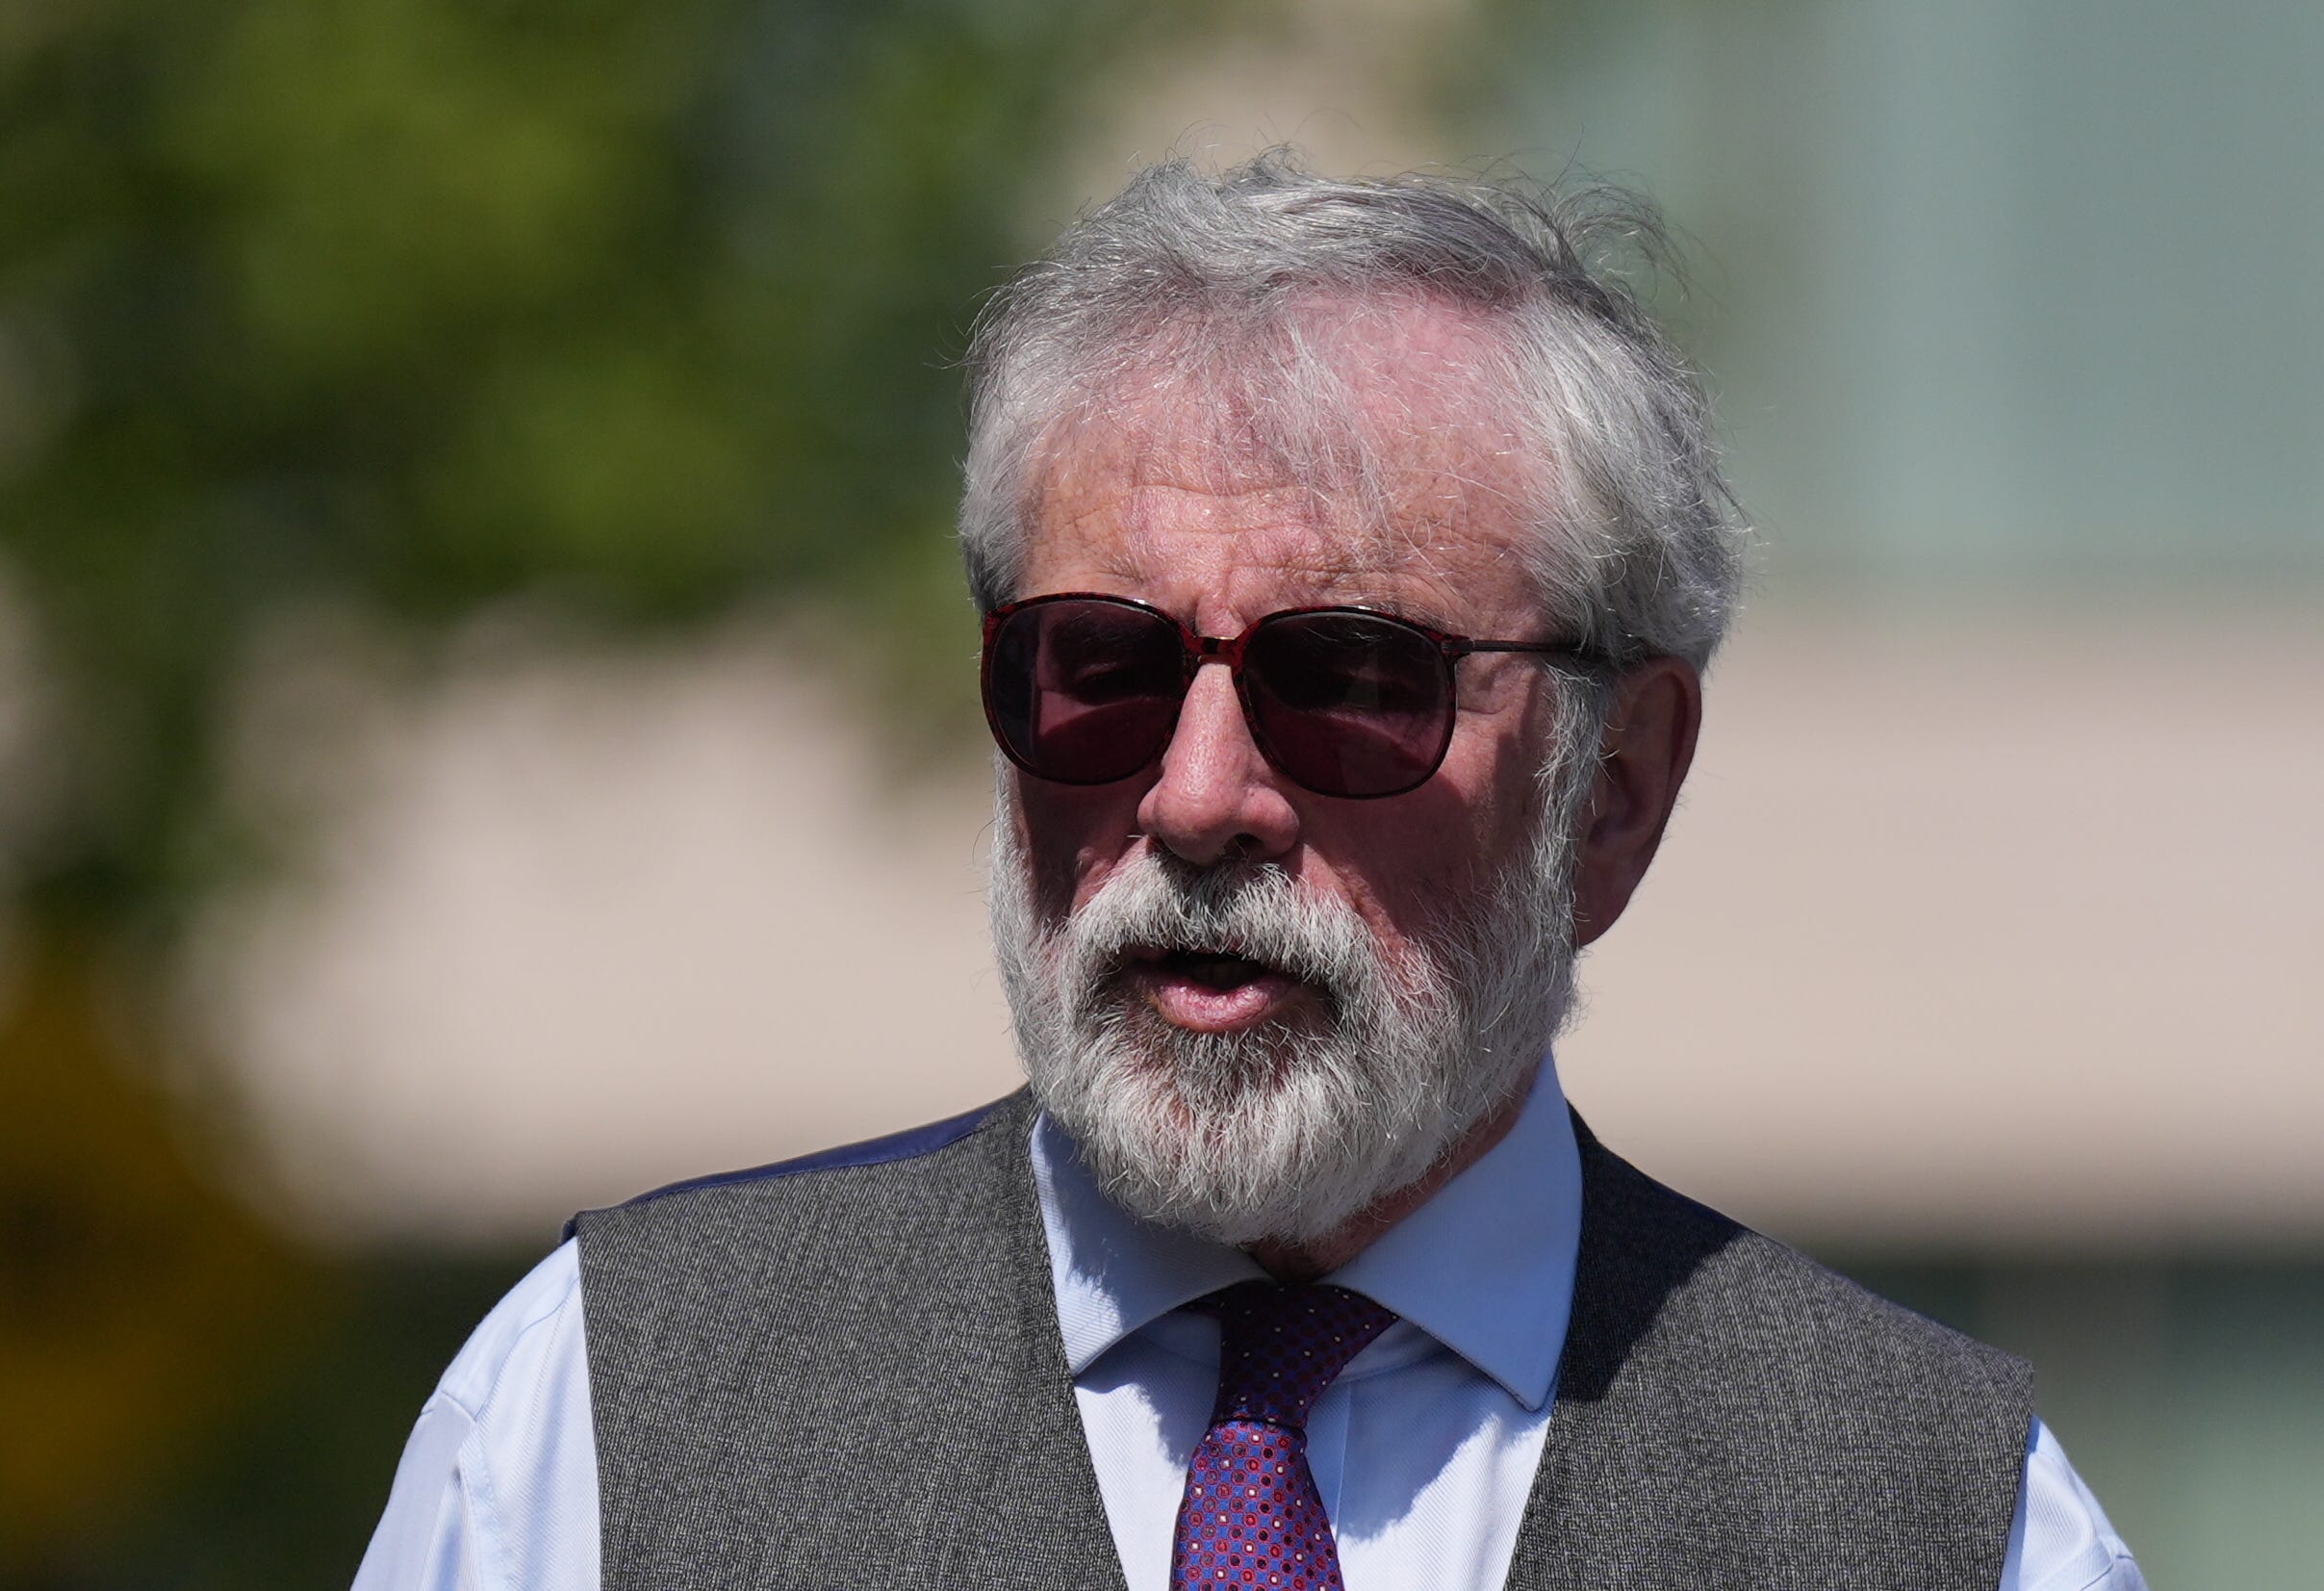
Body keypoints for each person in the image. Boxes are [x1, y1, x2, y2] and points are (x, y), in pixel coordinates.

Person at [353, 154, 2144, 1591]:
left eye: (1353, 680)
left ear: (1615, 786)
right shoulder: (601, 1419)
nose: (1200, 797)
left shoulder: (1948, 1525)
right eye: (1102, 668)